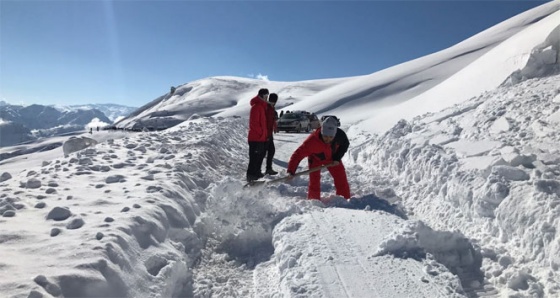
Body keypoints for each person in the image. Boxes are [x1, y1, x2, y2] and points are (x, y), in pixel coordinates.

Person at [286, 116, 350, 200]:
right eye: (325, 136)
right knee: (314, 180)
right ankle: (314, 200)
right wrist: (291, 171)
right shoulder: (311, 142)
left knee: (341, 177)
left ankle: (344, 198)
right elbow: (297, 155)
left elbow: (345, 144)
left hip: (332, 158)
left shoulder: (340, 135)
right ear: (322, 132)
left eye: (331, 137)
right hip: (315, 158)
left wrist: (337, 158)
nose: (328, 139)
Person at [246, 88, 270, 181]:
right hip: (255, 138)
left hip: (260, 138)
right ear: (261, 96)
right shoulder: (256, 106)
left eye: (267, 96)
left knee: (260, 156)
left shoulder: (262, 106)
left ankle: (256, 173)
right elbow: (254, 123)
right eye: (265, 96)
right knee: (254, 158)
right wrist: (261, 134)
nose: (266, 98)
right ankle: (251, 176)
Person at [264, 93, 279, 175]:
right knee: (262, 153)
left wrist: (275, 127)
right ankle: (256, 172)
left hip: (269, 133)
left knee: (271, 150)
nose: (274, 102)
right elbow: (265, 121)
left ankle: (268, 169)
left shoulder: (272, 108)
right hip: (265, 133)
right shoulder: (267, 107)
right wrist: (265, 134)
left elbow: (272, 120)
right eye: (273, 100)